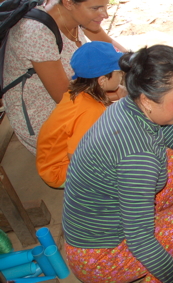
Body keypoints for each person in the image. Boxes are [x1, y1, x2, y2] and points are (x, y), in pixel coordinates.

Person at [62, 45, 173, 283]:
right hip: (101, 259)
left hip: (103, 221)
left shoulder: (129, 107)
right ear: (147, 98)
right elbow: (140, 241)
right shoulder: (138, 156)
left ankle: (153, 223)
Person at [3, 0, 120, 155]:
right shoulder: (36, 34)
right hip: (45, 116)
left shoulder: (76, 14)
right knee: (124, 137)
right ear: (68, 2)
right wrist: (119, 94)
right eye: (96, 8)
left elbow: (110, 47)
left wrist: (140, 62)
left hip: (78, 94)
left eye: (106, 6)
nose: (105, 14)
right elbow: (66, 98)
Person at [36, 41, 124, 188]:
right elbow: (77, 156)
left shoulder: (78, 93)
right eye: (119, 73)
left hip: (51, 160)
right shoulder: (90, 111)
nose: (121, 76)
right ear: (102, 80)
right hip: (59, 170)